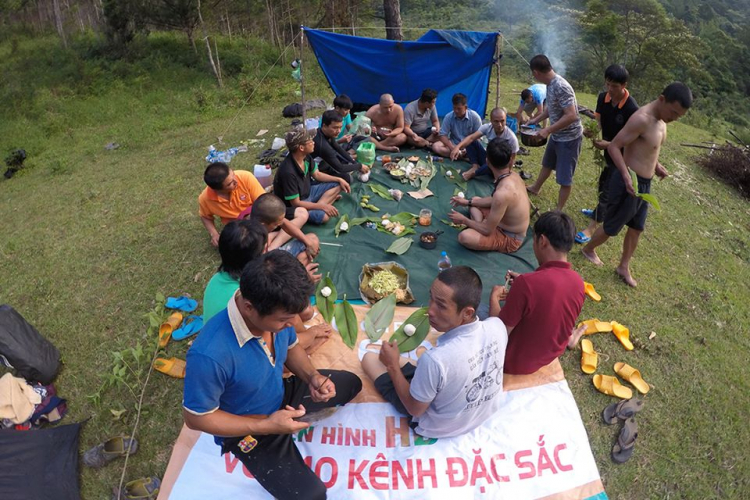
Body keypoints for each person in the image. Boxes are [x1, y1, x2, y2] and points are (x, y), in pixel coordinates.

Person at [184, 251, 363, 500]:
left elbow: (291, 348)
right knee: (312, 496)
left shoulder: (276, 316)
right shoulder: (209, 355)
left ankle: (290, 412)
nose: (293, 325)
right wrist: (266, 426)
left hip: (280, 394)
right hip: (250, 427)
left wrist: (312, 377)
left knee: (352, 383)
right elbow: (196, 418)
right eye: (284, 320)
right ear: (249, 308)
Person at [361, 266, 508, 438]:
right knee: (427, 369)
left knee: (369, 359)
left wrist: (392, 366)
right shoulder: (497, 326)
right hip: (482, 414)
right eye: (431, 298)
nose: (430, 311)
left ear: (467, 313)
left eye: (441, 306)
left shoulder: (436, 360)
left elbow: (414, 409)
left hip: (438, 427)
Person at [581, 82, 692, 287]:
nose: (674, 118)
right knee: (613, 224)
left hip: (644, 184)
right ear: (661, 99)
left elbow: (648, 147)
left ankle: (623, 266)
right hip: (628, 180)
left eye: (679, 116)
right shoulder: (642, 118)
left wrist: (656, 165)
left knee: (636, 227)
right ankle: (588, 249)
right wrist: (625, 175)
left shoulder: (662, 120)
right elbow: (615, 147)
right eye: (673, 112)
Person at [201, 219, 330, 352]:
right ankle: (307, 347)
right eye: (266, 248)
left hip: (220, 343)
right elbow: (282, 344)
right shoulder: (254, 292)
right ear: (260, 258)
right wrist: (311, 334)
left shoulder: (218, 278)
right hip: (240, 351)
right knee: (299, 317)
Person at [489, 211, 585, 374]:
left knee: (480, 317)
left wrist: (494, 298)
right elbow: (549, 292)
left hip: (511, 363)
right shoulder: (578, 282)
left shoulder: (527, 284)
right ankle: (569, 338)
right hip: (549, 356)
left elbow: (498, 336)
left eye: (533, 241)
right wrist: (523, 282)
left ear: (542, 241)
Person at [576, 65, 639, 244]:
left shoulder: (631, 108)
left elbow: (633, 140)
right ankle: (598, 211)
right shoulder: (603, 97)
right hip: (607, 153)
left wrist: (609, 144)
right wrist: (592, 130)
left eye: (615, 86)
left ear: (624, 85)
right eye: (608, 84)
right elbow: (598, 120)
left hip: (623, 156)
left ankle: (592, 226)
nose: (610, 90)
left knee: (609, 190)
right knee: (603, 182)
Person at [448, 139, 530, 254]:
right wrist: (466, 202)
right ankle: (479, 223)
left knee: (465, 237)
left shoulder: (502, 193)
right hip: (501, 220)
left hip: (510, 237)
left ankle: (478, 224)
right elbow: (493, 201)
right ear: (510, 160)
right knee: (474, 200)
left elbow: (487, 230)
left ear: (487, 161)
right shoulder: (513, 175)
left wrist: (464, 220)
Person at [199, 162, 308, 248]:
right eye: (230, 183)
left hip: (262, 215)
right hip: (243, 229)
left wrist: (304, 239)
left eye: (233, 175)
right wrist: (214, 234)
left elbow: (267, 207)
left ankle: (272, 243)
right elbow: (205, 216)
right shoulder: (205, 199)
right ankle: (274, 237)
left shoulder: (245, 177)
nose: (236, 181)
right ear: (217, 189)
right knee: (238, 246)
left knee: (302, 213)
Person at [524, 55, 584, 210]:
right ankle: (535, 187)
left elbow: (572, 115)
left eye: (533, 73)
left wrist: (548, 130)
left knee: (564, 178)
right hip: (557, 134)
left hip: (569, 138)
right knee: (547, 163)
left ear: (536, 72)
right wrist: (535, 121)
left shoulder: (561, 86)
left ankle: (558, 210)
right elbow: (552, 108)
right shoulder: (550, 84)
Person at [273, 127, 351, 225]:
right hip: (298, 205)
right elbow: (296, 203)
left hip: (309, 192)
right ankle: (324, 203)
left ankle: (321, 203)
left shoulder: (306, 157)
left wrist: (339, 179)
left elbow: (317, 174)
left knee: (340, 184)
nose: (314, 142)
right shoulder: (288, 172)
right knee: (324, 217)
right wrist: (323, 207)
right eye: (310, 141)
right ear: (301, 148)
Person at [249, 193, 320, 265]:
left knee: (312, 239)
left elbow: (287, 225)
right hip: (268, 266)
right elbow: (265, 268)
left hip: (269, 256)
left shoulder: (257, 220)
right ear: (263, 225)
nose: (279, 224)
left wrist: (308, 243)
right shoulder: (254, 241)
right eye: (276, 225)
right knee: (307, 252)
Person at [452, 107, 520, 180]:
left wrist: (504, 176)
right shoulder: (487, 128)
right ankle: (475, 166)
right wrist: (457, 147)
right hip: (489, 160)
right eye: (496, 121)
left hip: (499, 167)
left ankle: (474, 173)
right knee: (471, 141)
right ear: (491, 121)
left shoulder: (511, 138)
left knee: (493, 162)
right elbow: (471, 138)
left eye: (502, 121)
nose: (500, 124)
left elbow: (512, 159)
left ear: (506, 120)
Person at [432, 93, 483, 173]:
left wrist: (465, 149)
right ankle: (462, 157)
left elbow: (478, 137)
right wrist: (453, 148)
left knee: (481, 152)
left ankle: (461, 155)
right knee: (436, 146)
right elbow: (442, 135)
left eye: (459, 109)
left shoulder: (475, 117)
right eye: (454, 108)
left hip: (469, 146)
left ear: (465, 107)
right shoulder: (449, 117)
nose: (456, 111)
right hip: (454, 143)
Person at [313, 110, 369, 184]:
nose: (339, 131)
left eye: (340, 127)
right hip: (314, 172)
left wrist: (353, 162)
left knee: (343, 157)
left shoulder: (324, 132)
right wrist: (359, 166)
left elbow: (338, 148)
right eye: (335, 128)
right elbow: (340, 168)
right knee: (348, 179)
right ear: (324, 126)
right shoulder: (322, 145)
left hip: (324, 161)